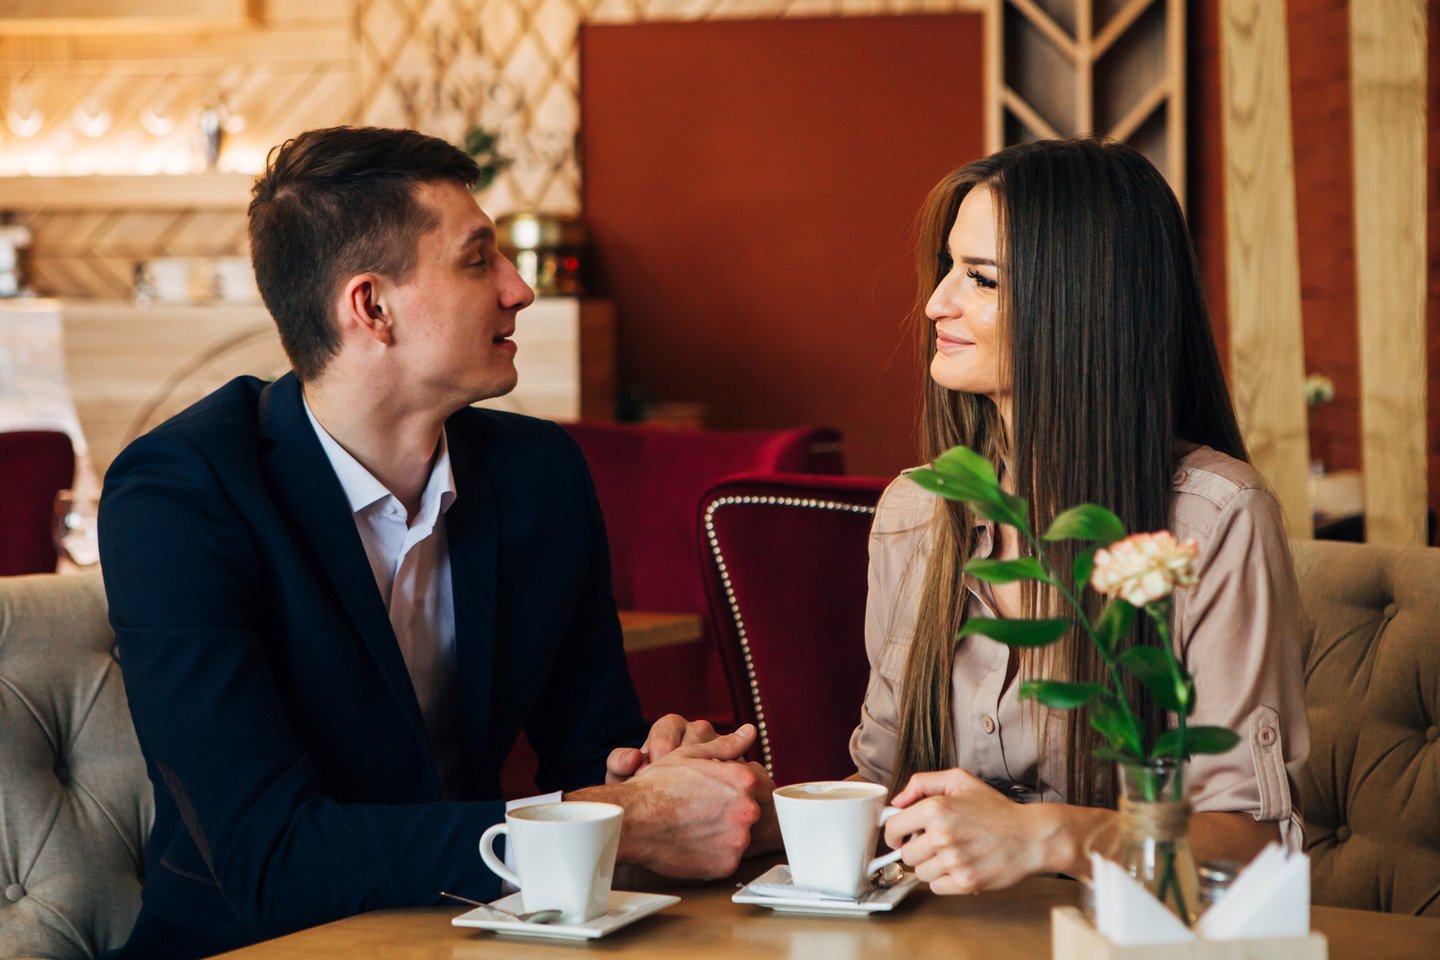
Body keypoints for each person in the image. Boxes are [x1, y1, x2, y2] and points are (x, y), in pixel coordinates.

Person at [99, 126, 771, 959]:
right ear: (371, 307)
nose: (519, 289)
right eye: (478, 260)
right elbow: (270, 858)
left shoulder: (538, 473)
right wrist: (620, 821)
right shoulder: (179, 496)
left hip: (479, 935)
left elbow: (592, 749)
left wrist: (657, 771)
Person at [849, 139, 1309, 895]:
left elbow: (1248, 847)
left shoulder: (1215, 520)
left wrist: (1046, 837)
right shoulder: (915, 511)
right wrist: (733, 804)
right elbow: (879, 786)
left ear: (1079, 304)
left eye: (981, 278)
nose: (936, 303)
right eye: (948, 267)